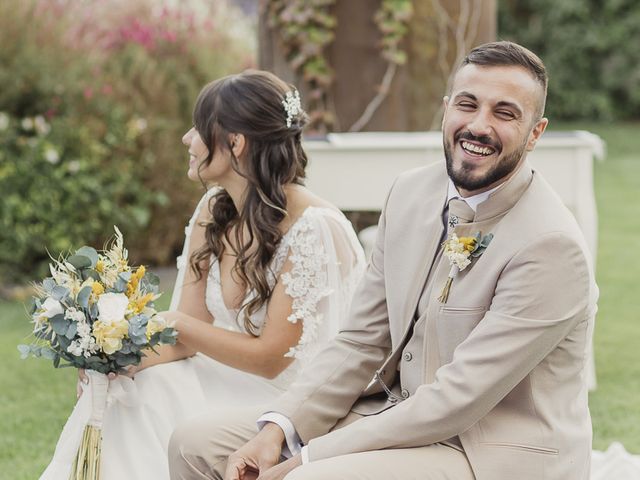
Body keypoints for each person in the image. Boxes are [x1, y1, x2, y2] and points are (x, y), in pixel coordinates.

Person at [168, 42, 598, 480]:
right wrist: (279, 429)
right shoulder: (410, 193)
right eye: (467, 105)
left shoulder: (551, 246)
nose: (479, 125)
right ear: (447, 109)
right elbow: (360, 340)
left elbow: (457, 400)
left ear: (536, 132)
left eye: (505, 113)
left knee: (307, 478)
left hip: (485, 451)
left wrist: (311, 456)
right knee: (195, 444)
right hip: (386, 413)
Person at [40, 70, 366, 480]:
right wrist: (116, 360)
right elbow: (189, 328)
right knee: (130, 389)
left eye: (198, 128)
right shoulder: (214, 210)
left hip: (282, 397)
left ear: (235, 143)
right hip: (217, 375)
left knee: (153, 396)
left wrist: (176, 326)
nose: (187, 139)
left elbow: (271, 360)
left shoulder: (314, 226)